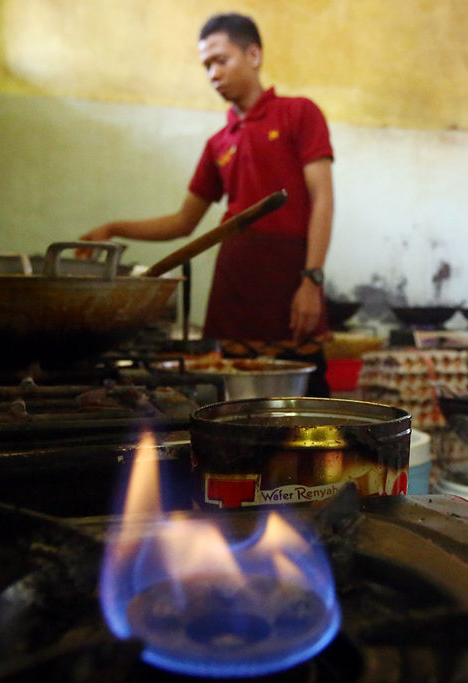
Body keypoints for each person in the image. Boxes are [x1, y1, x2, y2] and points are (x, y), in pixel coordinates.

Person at [80, 12, 334, 396]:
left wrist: (311, 279)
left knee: (307, 400)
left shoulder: (299, 113)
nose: (213, 73)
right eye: (206, 66)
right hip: (234, 286)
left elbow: (323, 199)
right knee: (232, 403)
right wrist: (113, 228)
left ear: (253, 55)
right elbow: (183, 222)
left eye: (221, 59)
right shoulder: (219, 143)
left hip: (290, 281)